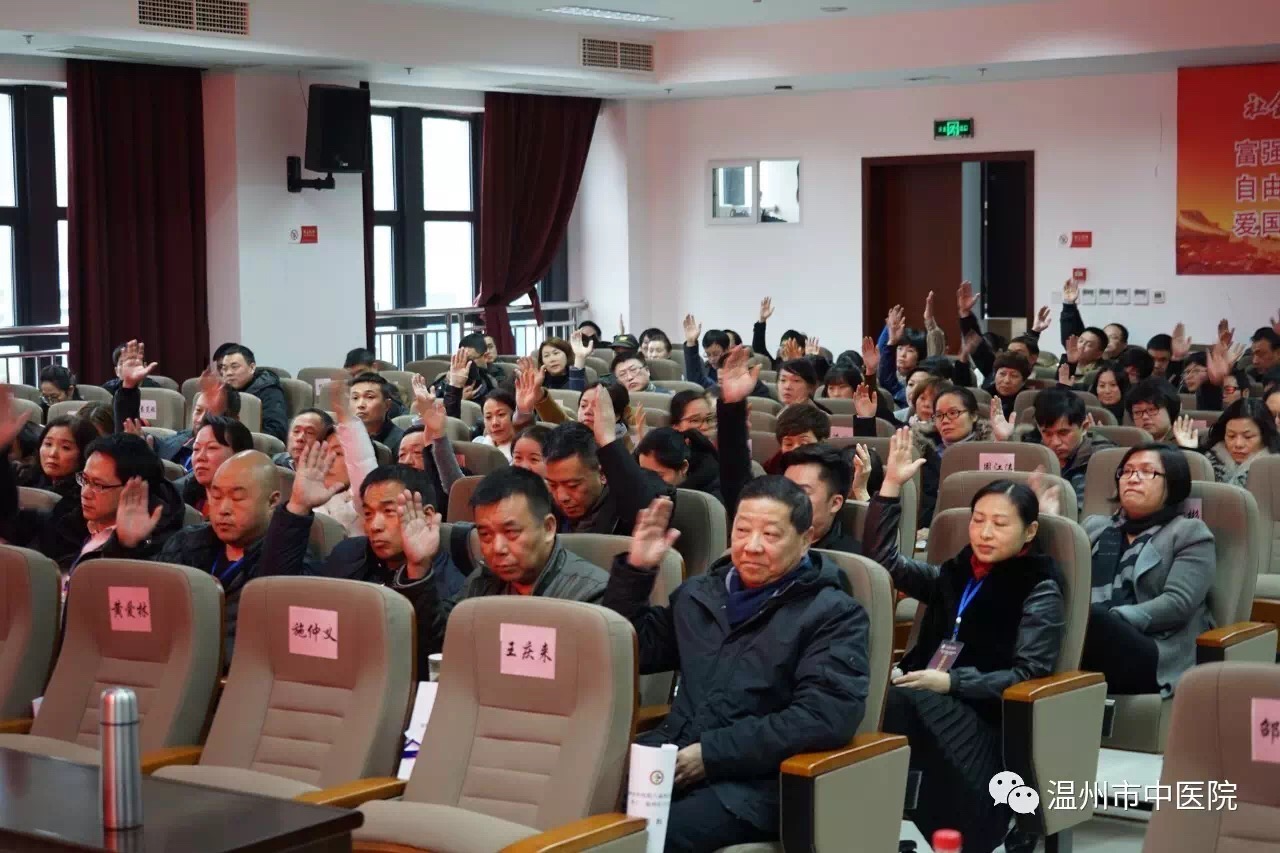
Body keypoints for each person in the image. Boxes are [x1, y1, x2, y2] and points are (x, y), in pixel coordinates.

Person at [604, 485, 869, 853]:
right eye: (742, 530)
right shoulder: (701, 594)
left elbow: (824, 717)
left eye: (770, 534)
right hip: (674, 759)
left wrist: (711, 755)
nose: (752, 546)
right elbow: (636, 649)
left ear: (806, 539)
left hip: (757, 784)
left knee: (652, 839)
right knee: (584, 807)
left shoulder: (833, 614)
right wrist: (637, 570)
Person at [867, 429, 1065, 853]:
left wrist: (951, 682)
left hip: (986, 721)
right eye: (978, 520)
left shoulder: (1039, 587)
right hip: (928, 699)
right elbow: (882, 564)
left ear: (1029, 531)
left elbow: (1028, 675)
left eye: (1000, 524)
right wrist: (890, 487)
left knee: (896, 702)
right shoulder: (954, 573)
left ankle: (983, 821)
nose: (985, 533)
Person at [394, 466, 612, 667]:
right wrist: (418, 566)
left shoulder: (590, 595)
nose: (497, 548)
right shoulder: (484, 581)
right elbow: (442, 647)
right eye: (485, 535)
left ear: (548, 528)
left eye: (511, 532)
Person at [120, 450, 303, 660]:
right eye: (216, 496)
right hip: (167, 662)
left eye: (237, 498)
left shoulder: (288, 560)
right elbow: (147, 606)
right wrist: (129, 547)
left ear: (272, 502)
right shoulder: (187, 543)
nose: (223, 509)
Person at [1073, 444, 1214, 699]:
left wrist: (1114, 619)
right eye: (1127, 471)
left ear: (1173, 483)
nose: (1133, 478)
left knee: (1091, 620)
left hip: (1153, 646)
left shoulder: (1189, 533)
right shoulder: (1095, 527)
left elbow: (1178, 603)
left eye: (1147, 472)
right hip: (1093, 636)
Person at [0, 391, 186, 568]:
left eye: (98, 485)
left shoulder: (160, 543)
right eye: (85, 480)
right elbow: (10, 526)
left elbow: (111, 587)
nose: (86, 492)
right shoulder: (70, 518)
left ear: (133, 490)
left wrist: (123, 546)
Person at [542, 386, 670, 535]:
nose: (561, 497)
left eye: (573, 485)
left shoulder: (638, 489)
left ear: (602, 474)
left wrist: (608, 441)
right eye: (552, 485)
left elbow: (645, 509)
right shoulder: (546, 506)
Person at [1011, 388, 1115, 512]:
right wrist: (1003, 441)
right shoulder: (1034, 451)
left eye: (1063, 433)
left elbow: (1084, 513)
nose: (1055, 442)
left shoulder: (1102, 459)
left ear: (1084, 427)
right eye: (1047, 433)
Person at [1173, 398, 1280, 486]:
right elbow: (1192, 501)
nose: (1238, 444)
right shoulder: (1206, 461)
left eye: (1248, 437)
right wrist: (1191, 454)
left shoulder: (1275, 469)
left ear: (1265, 437)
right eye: (1231, 436)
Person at [778, 443, 861, 553]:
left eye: (802, 492)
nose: (786, 500)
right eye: (785, 489)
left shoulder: (849, 558)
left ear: (835, 503)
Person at [179, 416, 255, 516]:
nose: (200, 457)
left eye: (212, 448)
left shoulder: (252, 509)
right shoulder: (181, 499)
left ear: (240, 454)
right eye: (196, 449)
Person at [14, 415, 99, 498]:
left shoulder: (88, 495)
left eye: (65, 447)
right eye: (48, 444)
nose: (52, 454)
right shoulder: (24, 476)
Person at [219, 344, 288, 441]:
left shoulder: (269, 390)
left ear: (252, 367)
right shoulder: (223, 392)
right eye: (224, 368)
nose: (228, 373)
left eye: (234, 367)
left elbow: (277, 431)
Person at [634, 426, 722, 501]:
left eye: (659, 476)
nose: (649, 482)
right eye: (645, 473)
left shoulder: (711, 498)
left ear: (684, 467)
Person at [350, 371, 405, 460]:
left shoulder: (402, 441)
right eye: (355, 398)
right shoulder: (341, 438)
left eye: (370, 397)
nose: (360, 405)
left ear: (387, 405)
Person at [1125, 377, 1181, 443]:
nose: (1144, 417)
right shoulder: (1128, 442)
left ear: (1170, 410)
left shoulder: (1184, 442)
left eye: (1152, 410)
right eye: (1137, 412)